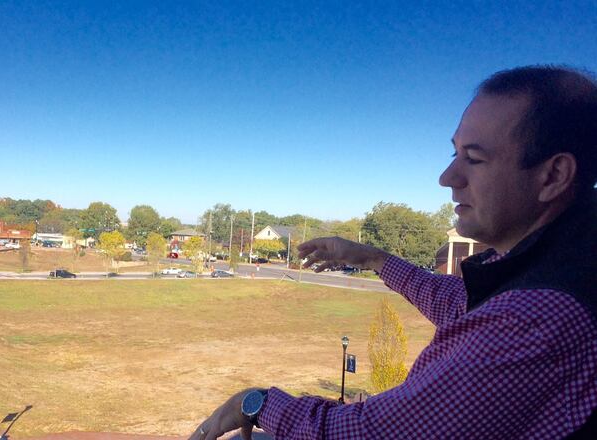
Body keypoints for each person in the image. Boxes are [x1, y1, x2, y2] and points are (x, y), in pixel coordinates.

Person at [189, 66, 596, 439]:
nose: (448, 177)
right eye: (455, 154)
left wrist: (257, 402)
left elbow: (371, 432)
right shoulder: (560, 263)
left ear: (554, 175)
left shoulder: (537, 319)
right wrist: (373, 258)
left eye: (474, 159)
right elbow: (463, 304)